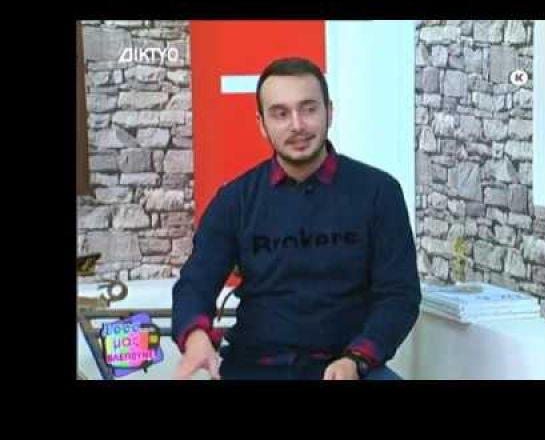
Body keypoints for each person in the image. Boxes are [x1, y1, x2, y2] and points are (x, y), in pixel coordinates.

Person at [171, 57, 420, 380]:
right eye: (280, 113)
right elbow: (195, 283)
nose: (297, 125)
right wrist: (196, 338)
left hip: (347, 365)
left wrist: (357, 359)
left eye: (308, 109)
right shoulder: (235, 199)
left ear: (329, 112)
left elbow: (399, 295)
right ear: (262, 124)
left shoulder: (378, 192)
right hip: (254, 366)